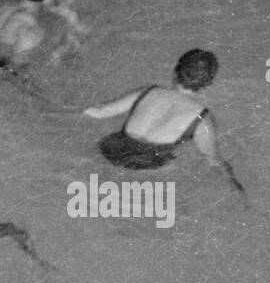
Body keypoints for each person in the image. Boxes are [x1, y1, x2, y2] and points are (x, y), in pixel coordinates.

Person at [82, 49, 243, 190]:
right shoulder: (201, 119)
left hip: (111, 151)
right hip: (149, 168)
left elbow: (99, 112)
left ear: (175, 72)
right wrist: (235, 185)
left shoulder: (148, 91)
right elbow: (212, 159)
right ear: (207, 85)